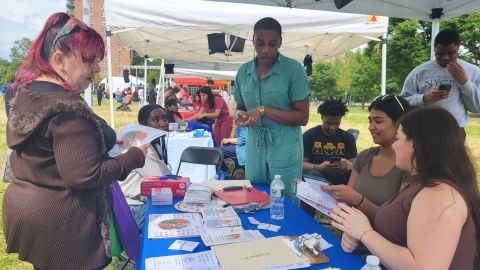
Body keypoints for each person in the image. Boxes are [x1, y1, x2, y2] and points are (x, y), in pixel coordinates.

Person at [2, 12, 147, 270]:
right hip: (63, 224)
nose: (97, 68)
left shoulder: (29, 94)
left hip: (31, 210)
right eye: (89, 60)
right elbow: (85, 176)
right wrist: (133, 157)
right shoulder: (67, 110)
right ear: (59, 59)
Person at [329, 106, 479, 269]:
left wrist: (365, 233)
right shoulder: (421, 183)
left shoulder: (438, 194)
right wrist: (356, 234)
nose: (394, 146)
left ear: (415, 144)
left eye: (398, 138)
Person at [234, 17, 310, 200]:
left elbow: (303, 117)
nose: (265, 50)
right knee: (254, 195)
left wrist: (263, 110)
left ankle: (290, 229)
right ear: (253, 41)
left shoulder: (294, 70)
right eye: (260, 43)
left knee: (284, 198)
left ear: (280, 43)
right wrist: (240, 115)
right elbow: (240, 106)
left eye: (272, 44)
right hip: (254, 144)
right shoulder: (244, 71)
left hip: (284, 145)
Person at [322, 95, 410, 221]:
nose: (370, 127)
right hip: (351, 235)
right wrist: (314, 191)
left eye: (378, 121)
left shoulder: (409, 165)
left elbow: (395, 222)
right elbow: (347, 201)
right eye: (370, 121)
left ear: (399, 124)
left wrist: (358, 200)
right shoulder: (365, 157)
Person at [400, 29, 480, 129]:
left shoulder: (473, 71)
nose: (445, 58)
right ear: (434, 49)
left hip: (455, 131)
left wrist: (465, 82)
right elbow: (402, 101)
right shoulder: (420, 71)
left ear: (458, 48)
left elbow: (476, 108)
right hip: (424, 130)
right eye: (440, 53)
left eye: (451, 53)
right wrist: (424, 98)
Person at [120, 104, 172, 230]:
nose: (163, 123)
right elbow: (165, 179)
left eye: (165, 118)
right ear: (143, 123)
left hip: (138, 201)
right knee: (174, 220)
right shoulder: (142, 145)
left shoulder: (154, 143)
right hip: (133, 208)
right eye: (156, 119)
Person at [303, 98, 357, 185]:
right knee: (313, 174)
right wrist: (317, 167)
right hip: (317, 176)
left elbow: (355, 165)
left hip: (342, 178)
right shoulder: (310, 135)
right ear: (322, 117)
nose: (332, 128)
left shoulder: (348, 137)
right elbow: (300, 163)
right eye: (328, 123)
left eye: (336, 124)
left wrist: (348, 164)